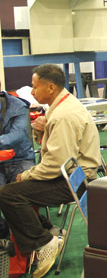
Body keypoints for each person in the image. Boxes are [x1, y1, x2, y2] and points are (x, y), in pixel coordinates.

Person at [0, 64, 101, 278]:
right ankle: (49, 231)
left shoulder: (63, 115)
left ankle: (44, 242)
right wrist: (42, 132)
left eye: (35, 87)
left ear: (51, 87)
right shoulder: (61, 106)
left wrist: (27, 175)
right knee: (13, 191)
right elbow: (54, 151)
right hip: (73, 174)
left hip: (74, 181)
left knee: (9, 194)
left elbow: (55, 164)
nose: (32, 92)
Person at [0, 82, 36, 238]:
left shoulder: (18, 105)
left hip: (20, 159)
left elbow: (18, 135)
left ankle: (37, 231)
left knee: (22, 192)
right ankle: (4, 235)